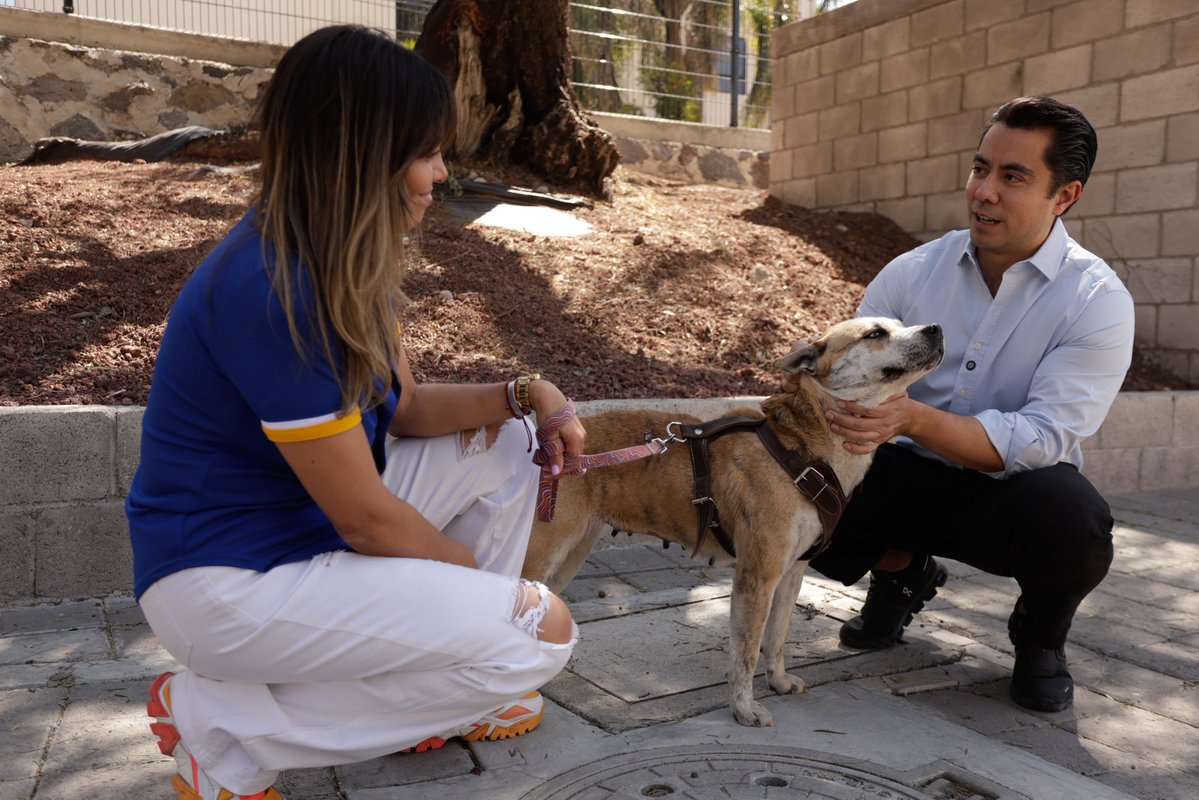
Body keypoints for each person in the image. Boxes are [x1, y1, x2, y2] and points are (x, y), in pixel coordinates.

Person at [125, 26, 585, 800]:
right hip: (227, 583)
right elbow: (366, 522)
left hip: (290, 537)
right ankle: (220, 730)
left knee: (509, 445)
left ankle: (460, 681)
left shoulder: (336, 264)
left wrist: (529, 395)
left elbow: (403, 409)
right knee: (543, 630)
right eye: (425, 153)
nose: (440, 174)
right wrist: (473, 591)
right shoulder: (275, 290)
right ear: (360, 157)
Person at [803, 96, 1133, 713]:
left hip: (1009, 490)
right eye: (980, 169)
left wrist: (915, 417)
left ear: (1065, 196)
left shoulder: (1096, 300)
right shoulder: (914, 271)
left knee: (1074, 521)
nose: (984, 192)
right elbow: (844, 378)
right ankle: (901, 570)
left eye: (1013, 177)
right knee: (801, 475)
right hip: (898, 472)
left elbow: (1042, 437)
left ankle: (1039, 633)